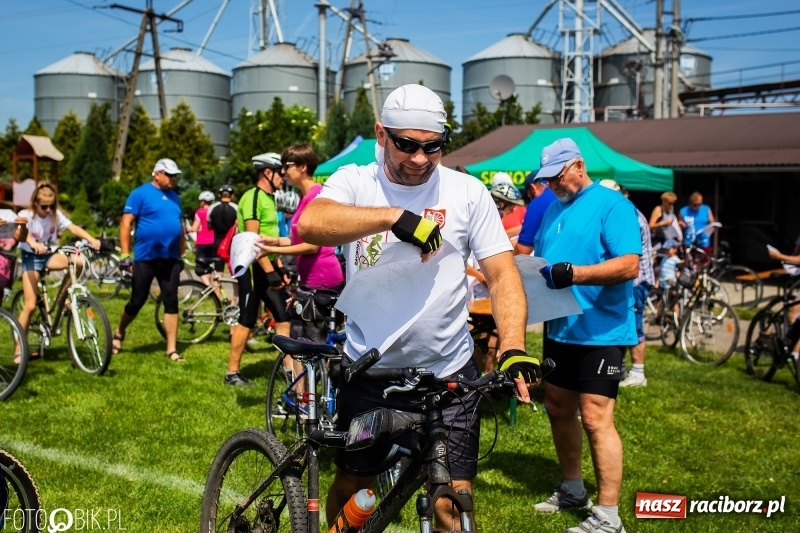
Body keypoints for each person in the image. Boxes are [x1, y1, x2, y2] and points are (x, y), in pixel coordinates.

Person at [296, 84, 539, 530]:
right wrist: (394, 217)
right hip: (371, 373)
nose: (421, 158)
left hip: (448, 374)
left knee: (452, 500)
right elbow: (311, 222)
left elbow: (503, 274)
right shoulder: (357, 180)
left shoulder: (467, 192)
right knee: (355, 488)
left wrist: (513, 345)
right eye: (406, 145)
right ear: (381, 134)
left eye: (433, 146)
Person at [531, 138, 640, 533]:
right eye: (546, 179)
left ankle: (608, 516)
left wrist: (574, 274)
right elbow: (542, 260)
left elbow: (629, 265)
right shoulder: (552, 209)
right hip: (560, 327)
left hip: (601, 331)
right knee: (558, 407)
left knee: (595, 417)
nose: (550, 185)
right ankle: (573, 490)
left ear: (578, 165)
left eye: (556, 177)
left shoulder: (613, 205)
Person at [255, 144, 344, 344]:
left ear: (303, 166)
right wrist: (274, 240)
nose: (283, 172)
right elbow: (299, 239)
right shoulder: (306, 197)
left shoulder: (316, 197)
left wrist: (272, 250)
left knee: (311, 343)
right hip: (310, 279)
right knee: (300, 340)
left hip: (321, 279)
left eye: (286, 166)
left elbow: (312, 246)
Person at [224, 152, 292, 387]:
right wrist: (270, 272)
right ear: (267, 172)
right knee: (247, 318)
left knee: (283, 316)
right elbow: (253, 241)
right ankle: (232, 372)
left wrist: (280, 268)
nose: (284, 177)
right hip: (253, 269)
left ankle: (289, 369)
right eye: (280, 172)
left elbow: (270, 239)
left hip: (268, 266)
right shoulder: (252, 197)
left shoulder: (270, 199)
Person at [111, 159, 186, 362]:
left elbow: (179, 226)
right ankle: (119, 331)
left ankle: (171, 349)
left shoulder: (175, 197)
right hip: (146, 258)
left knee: (171, 300)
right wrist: (125, 255)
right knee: (137, 300)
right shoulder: (140, 193)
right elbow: (126, 223)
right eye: (170, 175)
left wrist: (182, 253)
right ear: (157, 174)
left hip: (170, 258)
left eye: (175, 176)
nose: (174, 179)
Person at [17, 183, 101, 359]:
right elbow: (22, 235)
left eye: (52, 206)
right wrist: (33, 244)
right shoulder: (26, 215)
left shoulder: (55, 215)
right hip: (31, 258)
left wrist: (91, 239)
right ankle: (19, 348)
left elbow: (73, 228)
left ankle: (61, 296)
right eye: (44, 206)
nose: (48, 210)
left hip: (49, 256)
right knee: (30, 305)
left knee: (78, 262)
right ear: (35, 203)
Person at [598, 180, 656, 388]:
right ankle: (621, 369)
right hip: (634, 280)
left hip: (637, 281)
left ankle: (638, 373)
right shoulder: (626, 210)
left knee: (635, 324)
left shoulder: (626, 214)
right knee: (624, 322)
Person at [513, 171, 557, 256]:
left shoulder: (537, 204)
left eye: (528, 195)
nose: (529, 198)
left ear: (533, 188)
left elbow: (522, 251)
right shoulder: (565, 195)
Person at [189, 191, 217, 289]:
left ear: (203, 201)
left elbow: (195, 228)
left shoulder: (199, 212)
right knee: (210, 268)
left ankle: (209, 289)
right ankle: (213, 289)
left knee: (200, 270)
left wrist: (187, 229)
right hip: (214, 242)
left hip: (202, 243)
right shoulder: (214, 211)